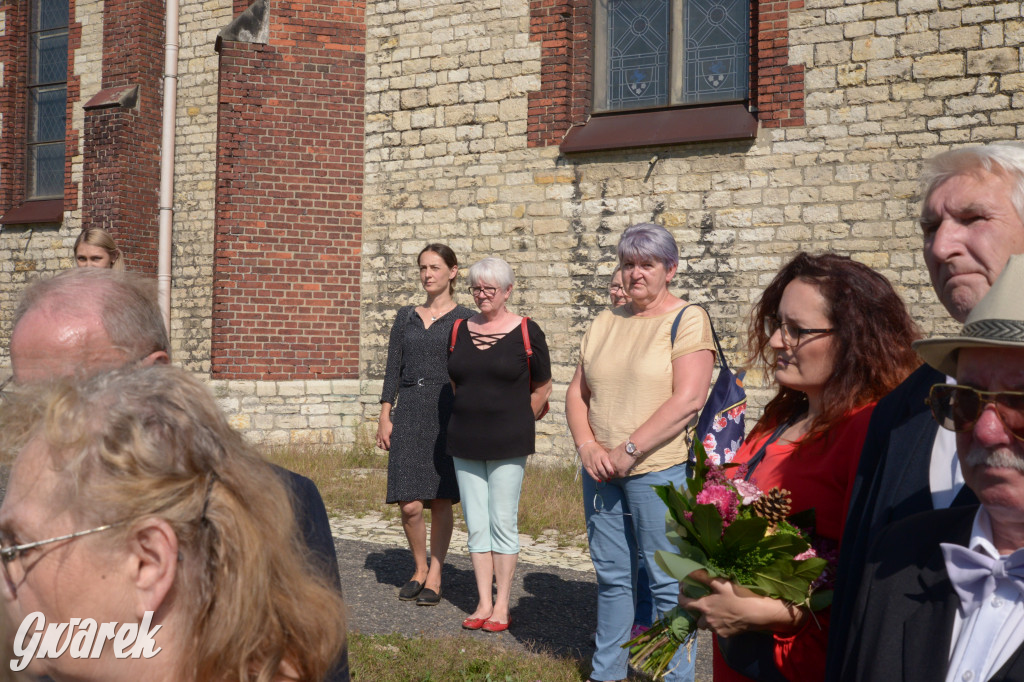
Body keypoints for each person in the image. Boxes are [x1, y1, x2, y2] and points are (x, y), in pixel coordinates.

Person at [7, 268, 349, 681]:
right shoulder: (15, 501)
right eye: (28, 402)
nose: (45, 426)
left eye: (78, 393)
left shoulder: (281, 499)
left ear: (155, 375)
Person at [827, 143, 1024, 678]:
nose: (941, 247)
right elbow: (860, 605)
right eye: (929, 227)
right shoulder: (901, 408)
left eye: (972, 218)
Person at [680, 253, 919, 682]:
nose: (775, 342)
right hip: (740, 659)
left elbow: (878, 583)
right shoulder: (781, 417)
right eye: (777, 325)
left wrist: (771, 612)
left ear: (853, 339)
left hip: (802, 664)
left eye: (797, 330)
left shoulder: (868, 431)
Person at [566, 223, 716, 682]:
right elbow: (577, 393)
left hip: (658, 470)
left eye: (647, 264)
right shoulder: (606, 321)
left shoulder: (687, 318)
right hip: (601, 471)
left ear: (669, 269)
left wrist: (630, 449)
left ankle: (673, 676)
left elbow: (688, 399)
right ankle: (606, 673)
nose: (635, 274)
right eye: (628, 264)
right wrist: (588, 446)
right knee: (613, 578)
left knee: (668, 582)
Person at [447, 257, 552, 632]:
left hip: (509, 441)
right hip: (464, 439)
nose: (482, 294)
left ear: (508, 291)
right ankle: (483, 602)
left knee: (502, 521)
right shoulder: (458, 329)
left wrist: (518, 419)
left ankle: (503, 605)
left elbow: (543, 386)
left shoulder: (527, 330)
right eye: (476, 287)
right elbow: (459, 383)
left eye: (490, 288)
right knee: (476, 524)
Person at [377, 244, 473, 605]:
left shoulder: (466, 317)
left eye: (434, 267)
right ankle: (418, 567)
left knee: (441, 497)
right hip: (409, 409)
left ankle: (435, 572)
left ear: (453, 271)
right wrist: (386, 414)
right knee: (410, 503)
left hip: (445, 411)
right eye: (422, 268)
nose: (427, 274)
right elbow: (392, 369)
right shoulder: (406, 316)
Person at [606, 264, 654, 638]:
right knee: (616, 557)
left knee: (647, 552)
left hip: (649, 458)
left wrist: (631, 447)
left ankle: (645, 620)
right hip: (605, 459)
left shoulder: (659, 325)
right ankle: (620, 631)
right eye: (612, 288)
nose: (618, 293)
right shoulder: (605, 328)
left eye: (622, 287)